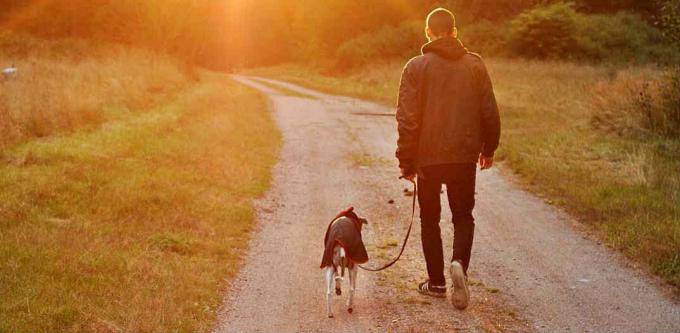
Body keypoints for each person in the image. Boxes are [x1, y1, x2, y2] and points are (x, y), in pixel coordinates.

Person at [395, 7, 501, 310]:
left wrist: (406, 160)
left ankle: (437, 283)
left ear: (428, 32)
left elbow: (407, 119)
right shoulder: (475, 65)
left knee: (430, 219)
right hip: (464, 155)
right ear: (455, 31)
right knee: (463, 215)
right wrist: (488, 149)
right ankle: (458, 265)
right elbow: (489, 112)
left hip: (427, 158)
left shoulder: (415, 67)